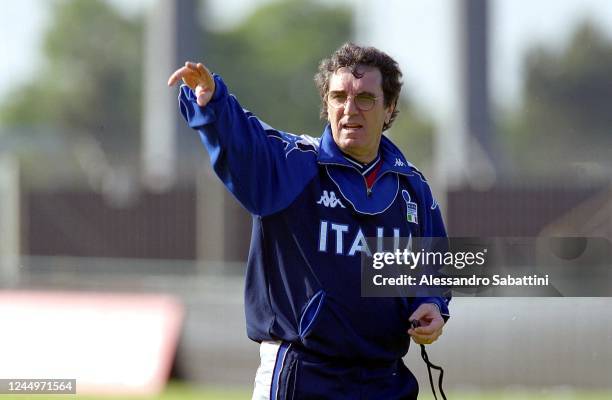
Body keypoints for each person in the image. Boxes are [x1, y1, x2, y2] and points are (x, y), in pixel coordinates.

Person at [168, 42, 450, 400]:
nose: (349, 109)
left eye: (365, 98)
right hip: (302, 376)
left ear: (389, 108)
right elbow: (245, 142)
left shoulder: (412, 188)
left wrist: (430, 305)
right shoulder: (293, 164)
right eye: (338, 97)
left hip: (385, 379)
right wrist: (213, 101)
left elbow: (432, 269)